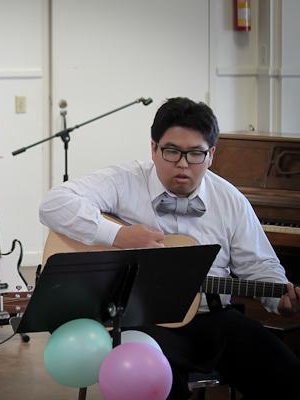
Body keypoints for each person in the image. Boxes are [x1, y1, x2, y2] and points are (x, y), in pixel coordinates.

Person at [39, 97, 300, 399]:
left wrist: (279, 298)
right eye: (172, 151)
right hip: (141, 322)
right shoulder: (124, 181)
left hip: (212, 318)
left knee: (288, 376)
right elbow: (53, 204)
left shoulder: (230, 199)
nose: (183, 164)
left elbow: (259, 264)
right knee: (158, 385)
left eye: (196, 154)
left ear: (211, 154)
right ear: (154, 148)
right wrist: (119, 235)